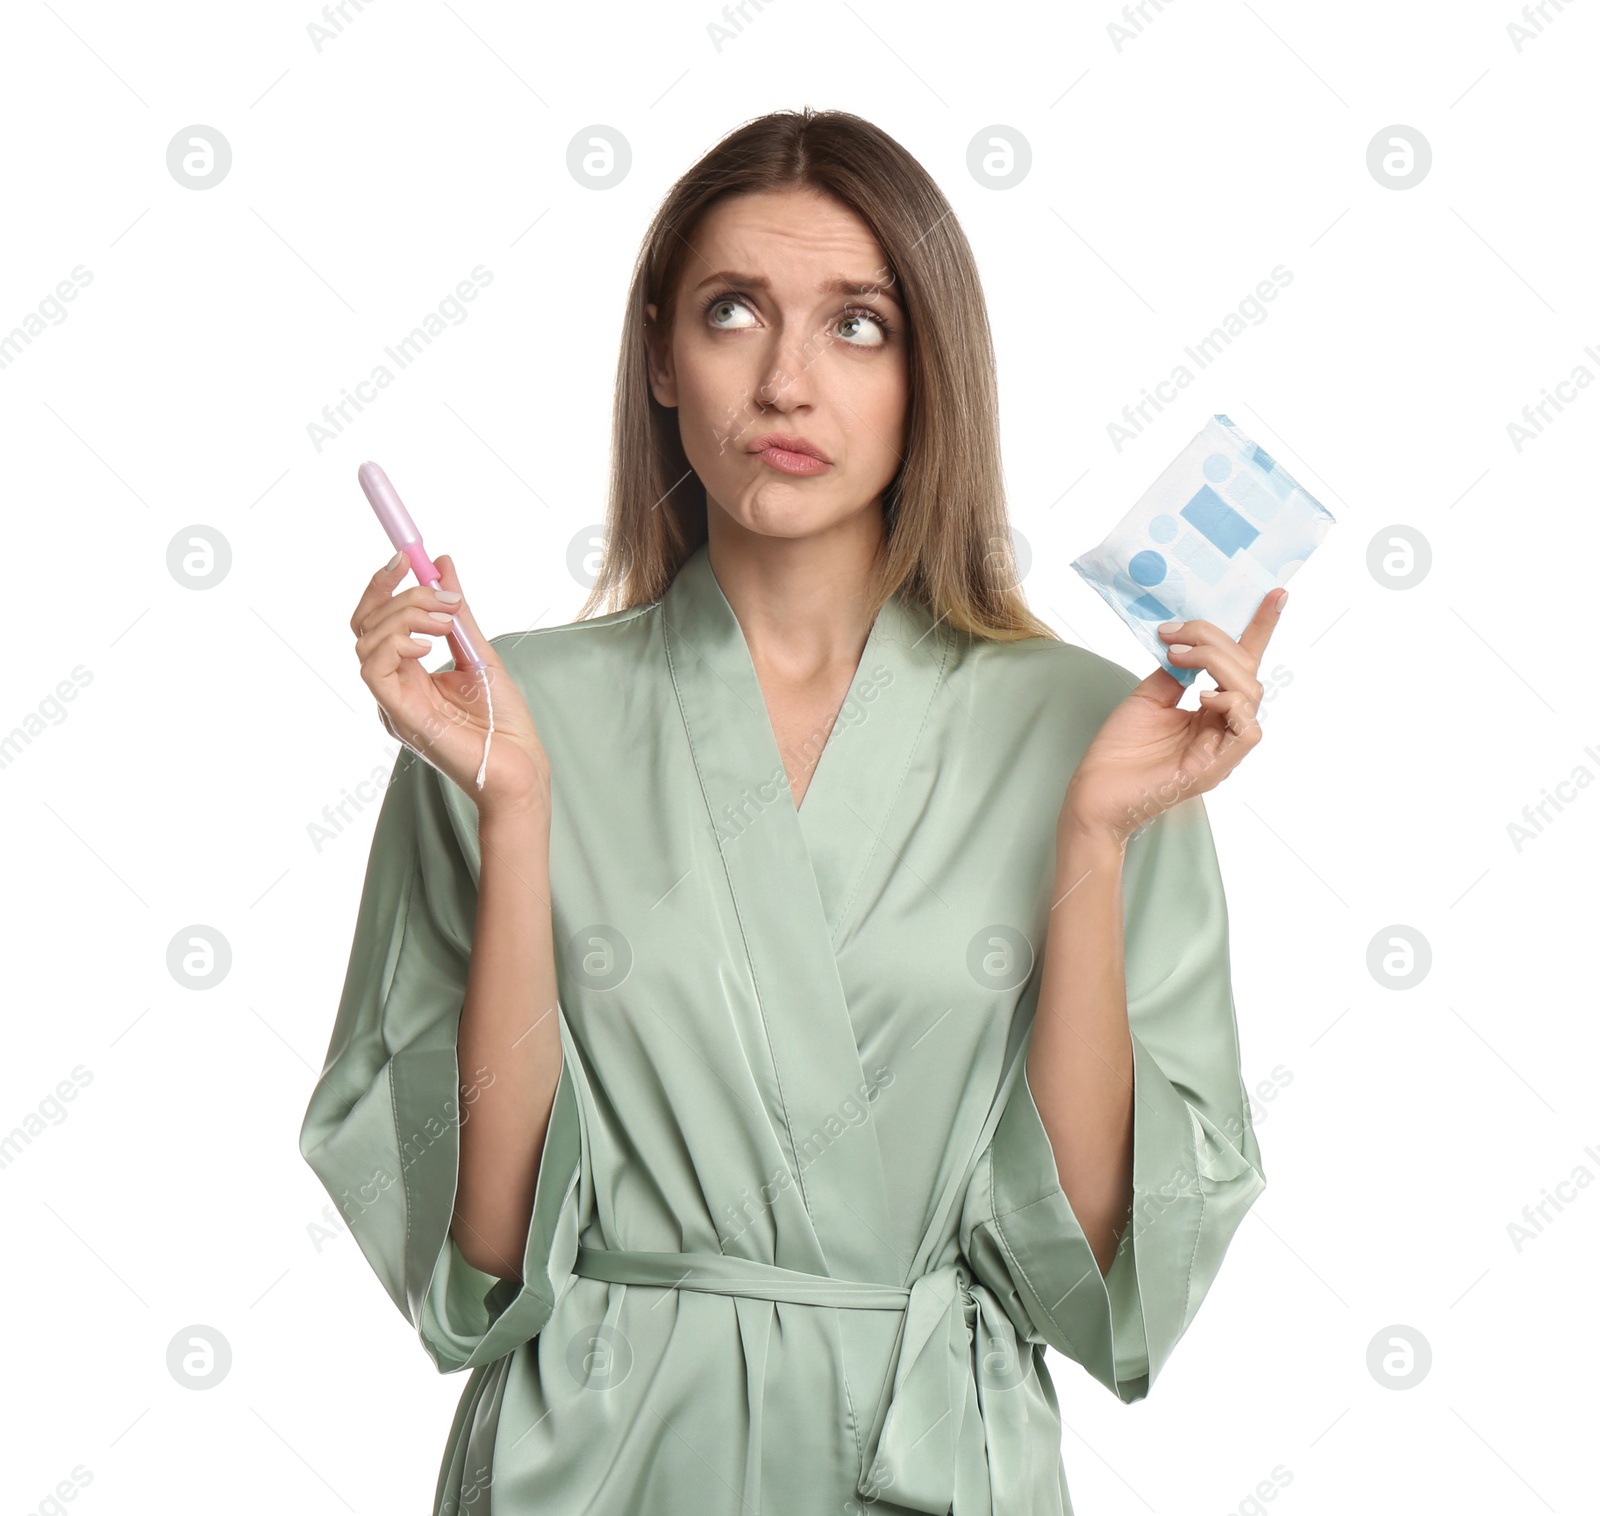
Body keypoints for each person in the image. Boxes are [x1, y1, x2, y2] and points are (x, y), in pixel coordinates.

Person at [299, 106, 1277, 1516]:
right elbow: (485, 1261)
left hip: (930, 1464)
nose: (786, 383)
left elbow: (1090, 1267)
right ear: (659, 355)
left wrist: (1091, 840)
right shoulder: (503, 720)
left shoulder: (1097, 736)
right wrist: (517, 815)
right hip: (596, 1465)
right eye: (734, 311)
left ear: (930, 369)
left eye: (858, 324)